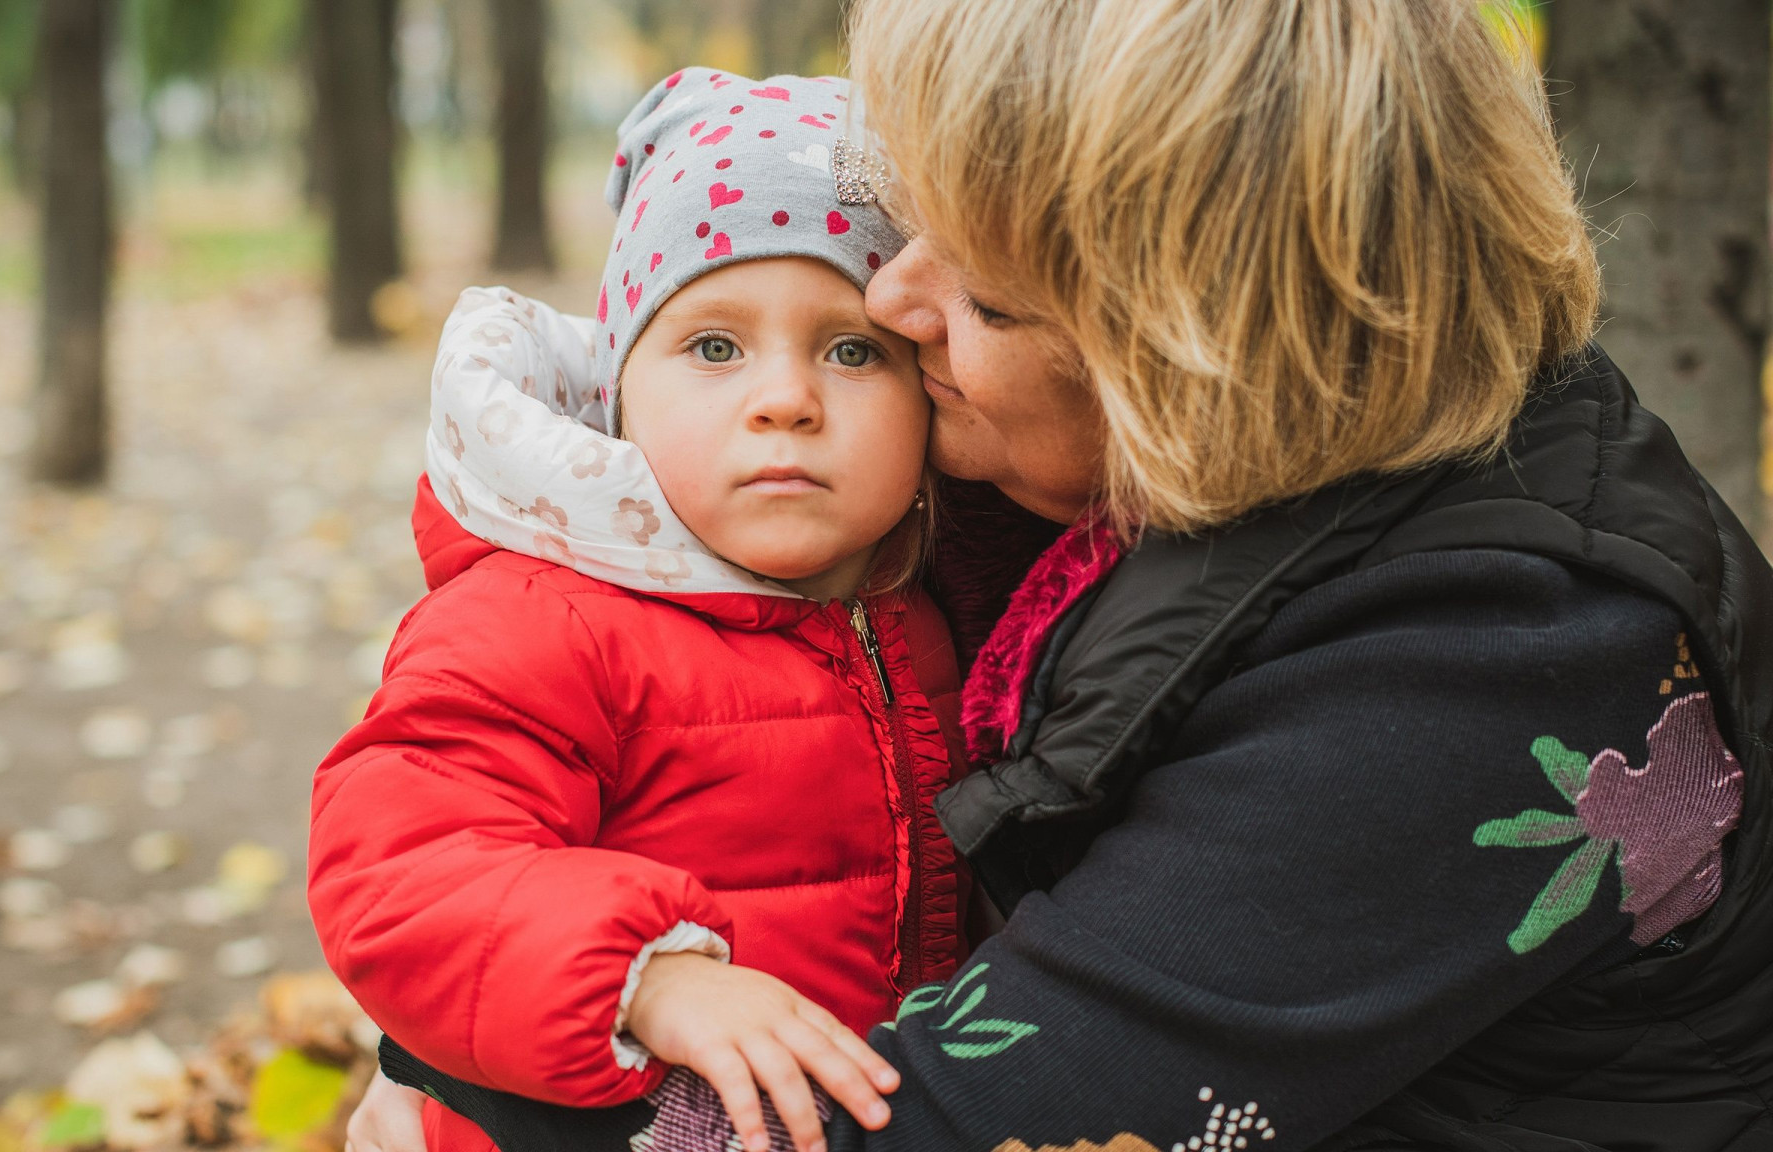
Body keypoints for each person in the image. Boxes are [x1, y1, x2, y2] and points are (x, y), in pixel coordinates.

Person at [348, 1, 1773, 1149]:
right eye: (908, 219)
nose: (892, 304)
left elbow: (976, 1120)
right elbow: (429, 833)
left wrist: (462, 1107)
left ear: (1175, 341)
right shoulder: (1113, 478)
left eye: (980, 287)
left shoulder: (1486, 657)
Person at [308, 69, 978, 1152]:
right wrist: (650, 980)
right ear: (621, 388)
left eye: (852, 350)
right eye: (713, 347)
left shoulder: (920, 606)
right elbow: (401, 866)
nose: (785, 399)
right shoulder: (545, 616)